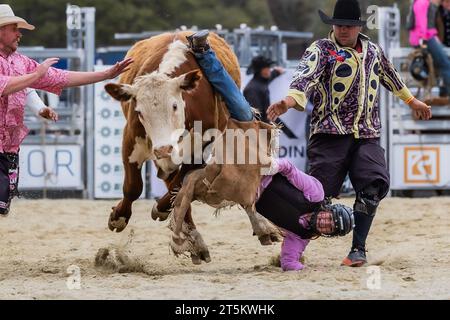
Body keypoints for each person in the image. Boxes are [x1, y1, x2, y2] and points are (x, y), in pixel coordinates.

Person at [267, 0, 432, 267]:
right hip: (329, 134)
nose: (343, 30)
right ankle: (292, 249)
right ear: (333, 26)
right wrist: (288, 102)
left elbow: (391, 77)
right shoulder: (321, 50)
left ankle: (358, 249)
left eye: (348, 26)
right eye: (339, 25)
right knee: (317, 198)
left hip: (367, 133)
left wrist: (412, 101)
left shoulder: (373, 52)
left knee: (373, 185)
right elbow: (303, 79)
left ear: (358, 27)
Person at [186, 30, 355, 271]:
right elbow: (288, 169)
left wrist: (304, 270)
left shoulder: (300, 237)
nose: (326, 223)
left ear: (327, 234)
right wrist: (272, 165)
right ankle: (204, 53)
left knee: (203, 188)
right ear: (329, 209)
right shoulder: (316, 193)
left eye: (330, 227)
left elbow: (289, 261)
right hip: (259, 170)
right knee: (242, 109)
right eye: (330, 218)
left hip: (243, 193)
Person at [0, 4, 133, 216]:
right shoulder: (24, 67)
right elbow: (5, 86)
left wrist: (105, 75)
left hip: (9, 148)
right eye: (14, 28)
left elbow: (61, 77)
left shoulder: (20, 62)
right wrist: (36, 76)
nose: (19, 34)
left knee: (3, 205)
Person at [408, 0, 450, 103]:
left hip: (427, 37)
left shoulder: (424, 2)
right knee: (445, 64)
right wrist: (424, 42)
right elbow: (422, 23)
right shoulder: (422, 2)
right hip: (424, 38)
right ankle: (446, 92)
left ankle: (444, 93)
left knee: (443, 63)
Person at [243, 56, 284, 123]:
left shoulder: (261, 81)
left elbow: (270, 77)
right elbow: (256, 116)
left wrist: (277, 72)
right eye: (267, 68)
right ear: (261, 70)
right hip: (259, 128)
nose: (269, 70)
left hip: (264, 125)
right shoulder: (252, 90)